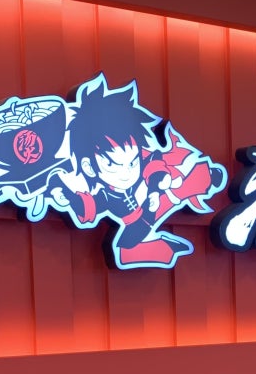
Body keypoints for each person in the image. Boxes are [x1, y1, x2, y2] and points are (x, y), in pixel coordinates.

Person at [50, 75, 225, 269]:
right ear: (89, 167)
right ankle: (160, 248)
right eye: (113, 165)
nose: (127, 172)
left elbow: (153, 161)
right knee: (125, 248)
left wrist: (158, 181)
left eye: (132, 162)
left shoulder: (144, 161)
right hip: (135, 226)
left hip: (153, 202)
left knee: (180, 183)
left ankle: (206, 178)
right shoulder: (104, 196)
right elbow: (88, 206)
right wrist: (67, 196)